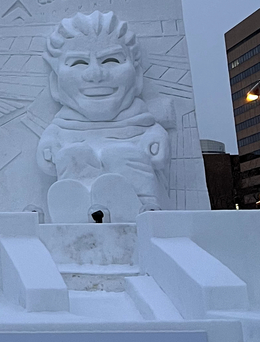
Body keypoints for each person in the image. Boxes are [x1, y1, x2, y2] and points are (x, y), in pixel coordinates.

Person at [37, 11, 169, 222]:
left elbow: (157, 155)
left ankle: (143, 206)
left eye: (111, 60)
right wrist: (49, 147)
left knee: (122, 155)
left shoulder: (142, 123)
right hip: (78, 206)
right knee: (74, 156)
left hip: (140, 206)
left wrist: (155, 137)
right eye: (78, 62)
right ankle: (73, 206)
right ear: (55, 82)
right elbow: (48, 161)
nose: (95, 74)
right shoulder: (62, 127)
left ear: (137, 76)